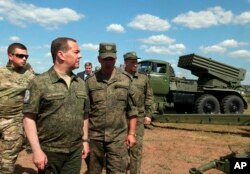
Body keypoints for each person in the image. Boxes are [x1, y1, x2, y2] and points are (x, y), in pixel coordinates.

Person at [22, 37, 89, 174]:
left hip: (75, 151)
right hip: (50, 151)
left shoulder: (81, 83)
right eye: (76, 52)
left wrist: (85, 140)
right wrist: (36, 150)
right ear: (61, 55)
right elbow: (28, 118)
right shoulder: (39, 83)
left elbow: (85, 114)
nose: (80, 56)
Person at [85, 43, 138, 174]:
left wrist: (131, 134)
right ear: (99, 59)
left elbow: (132, 110)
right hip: (95, 138)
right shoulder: (90, 81)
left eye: (111, 59)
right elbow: (85, 112)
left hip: (118, 138)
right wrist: (85, 139)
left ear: (115, 59)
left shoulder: (126, 80)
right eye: (105, 59)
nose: (108, 62)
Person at [0, 43, 35, 174]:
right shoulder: (1, 72)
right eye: (20, 56)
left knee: (7, 161)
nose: (24, 58)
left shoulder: (29, 77)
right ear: (10, 56)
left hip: (13, 121)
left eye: (26, 56)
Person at [123, 51, 155, 174]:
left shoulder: (143, 78)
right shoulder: (119, 77)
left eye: (136, 62)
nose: (135, 64)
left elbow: (149, 97)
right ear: (125, 62)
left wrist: (148, 114)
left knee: (136, 150)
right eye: (132, 62)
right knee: (121, 150)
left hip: (139, 119)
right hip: (121, 118)